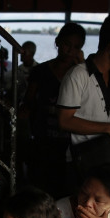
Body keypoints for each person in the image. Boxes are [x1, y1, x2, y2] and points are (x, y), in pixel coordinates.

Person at [57, 11, 110, 178]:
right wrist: (109, 128)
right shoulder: (78, 75)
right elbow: (64, 121)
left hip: (103, 161)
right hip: (81, 163)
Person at [19, 23, 86, 197]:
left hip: (70, 140)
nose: (70, 50)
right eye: (66, 44)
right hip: (43, 137)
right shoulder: (40, 71)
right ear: (58, 42)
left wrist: (84, 66)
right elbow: (29, 100)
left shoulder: (81, 73)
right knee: (40, 185)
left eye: (76, 47)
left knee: (65, 187)